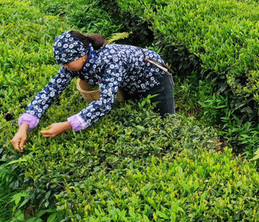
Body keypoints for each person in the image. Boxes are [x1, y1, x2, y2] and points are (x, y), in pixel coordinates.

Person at [10, 31, 175, 153]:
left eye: (67, 63)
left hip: (154, 78)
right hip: (129, 80)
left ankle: (172, 149)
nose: (64, 67)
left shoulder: (110, 61)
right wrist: (24, 126)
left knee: (166, 119)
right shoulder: (74, 62)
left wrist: (66, 125)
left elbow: (105, 103)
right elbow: (50, 90)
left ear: (82, 56)